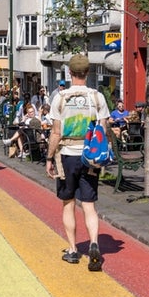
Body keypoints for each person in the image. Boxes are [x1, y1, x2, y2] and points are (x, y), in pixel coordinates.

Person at [45, 54, 110, 272]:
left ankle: (73, 250)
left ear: (70, 73)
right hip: (90, 156)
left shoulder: (60, 98)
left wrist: (48, 157)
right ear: (88, 73)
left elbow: (55, 132)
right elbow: (103, 129)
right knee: (89, 205)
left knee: (68, 203)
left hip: (67, 154)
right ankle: (94, 243)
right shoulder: (97, 97)